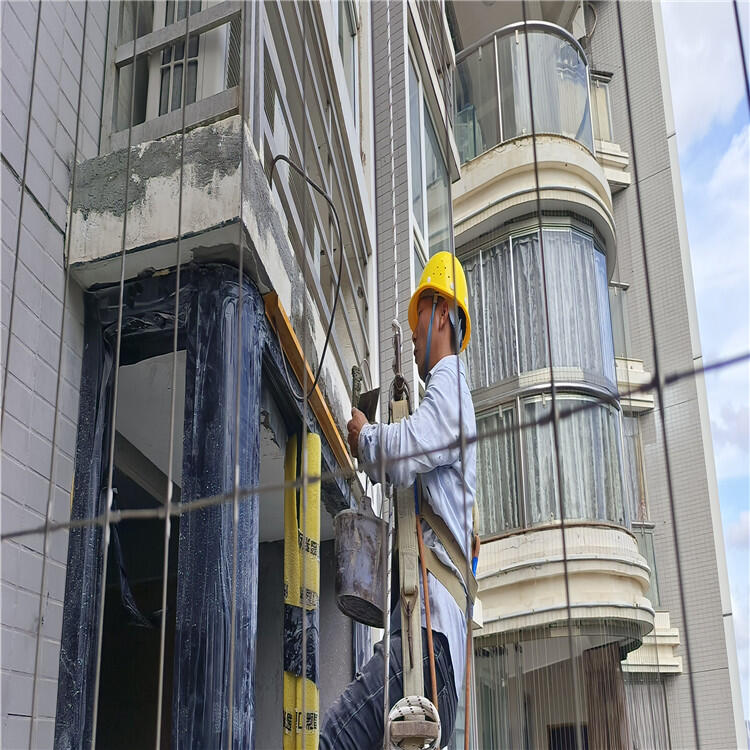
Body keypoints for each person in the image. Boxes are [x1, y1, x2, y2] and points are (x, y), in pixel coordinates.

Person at [320, 252, 477, 750]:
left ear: (442, 313)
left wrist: (367, 436)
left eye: (419, 318)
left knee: (335, 741)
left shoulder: (450, 383)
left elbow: (412, 446)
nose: (412, 335)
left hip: (426, 647)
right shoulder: (447, 396)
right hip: (436, 655)